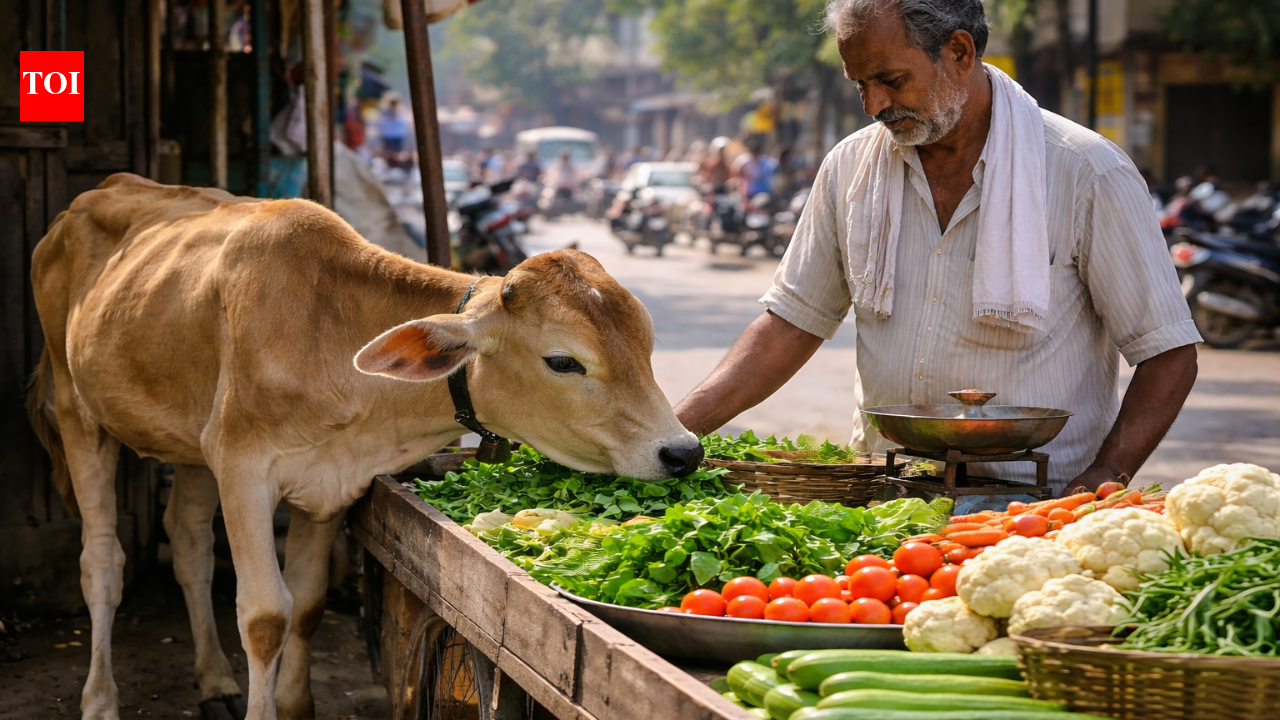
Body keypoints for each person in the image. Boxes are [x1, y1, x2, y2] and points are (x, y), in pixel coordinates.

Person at [674, 0, 1200, 494]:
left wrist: (1105, 475)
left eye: (891, 80)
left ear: (959, 53)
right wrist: (666, 437)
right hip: (887, 494)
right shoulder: (851, 168)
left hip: (1039, 505)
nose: (875, 104)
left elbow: (1167, 353)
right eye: (860, 84)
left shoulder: (1086, 171)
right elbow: (791, 324)